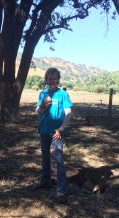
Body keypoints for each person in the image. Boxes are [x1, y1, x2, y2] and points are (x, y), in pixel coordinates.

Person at [35, 67, 73, 202]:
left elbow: (68, 113)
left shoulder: (62, 94)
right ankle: (45, 182)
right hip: (43, 130)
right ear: (46, 80)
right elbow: (37, 112)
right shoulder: (43, 93)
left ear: (58, 80)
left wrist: (61, 129)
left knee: (58, 159)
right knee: (45, 156)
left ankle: (61, 189)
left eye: (54, 78)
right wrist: (42, 107)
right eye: (49, 79)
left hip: (57, 132)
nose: (52, 81)